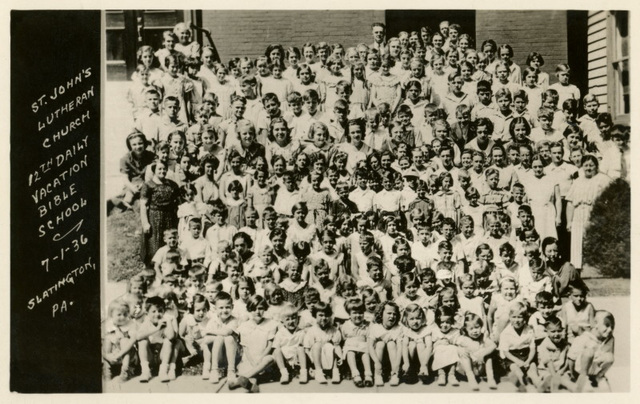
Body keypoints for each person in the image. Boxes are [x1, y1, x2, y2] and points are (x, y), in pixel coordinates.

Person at [565, 155, 611, 269]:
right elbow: (570, 202)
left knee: (594, 240)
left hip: (595, 213)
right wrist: (569, 222)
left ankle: (595, 269)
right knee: (577, 241)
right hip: (578, 213)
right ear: (582, 167)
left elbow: (611, 199)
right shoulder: (577, 181)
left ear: (596, 166)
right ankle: (577, 269)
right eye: (586, 165)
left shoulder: (604, 179)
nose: (588, 168)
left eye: (591, 165)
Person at [140, 159, 181, 267]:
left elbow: (179, 202)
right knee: (155, 244)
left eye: (164, 169)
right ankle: (153, 268)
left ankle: (170, 267)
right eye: (160, 169)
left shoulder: (172, 185)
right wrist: (145, 223)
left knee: (170, 241)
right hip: (154, 218)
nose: (162, 171)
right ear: (154, 170)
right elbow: (143, 205)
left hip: (170, 217)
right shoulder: (148, 185)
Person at [456, 312, 498, 390]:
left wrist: (482, 354)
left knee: (489, 356)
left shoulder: (483, 337)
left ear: (481, 327)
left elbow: (494, 345)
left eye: (477, 327)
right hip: (468, 368)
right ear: (465, 329)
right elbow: (455, 347)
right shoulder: (463, 338)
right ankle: (471, 378)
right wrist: (460, 350)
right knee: (464, 355)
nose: (475, 331)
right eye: (471, 329)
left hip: (480, 366)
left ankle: (490, 378)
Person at [368, 300, 403, 386]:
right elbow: (370, 346)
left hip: (393, 358)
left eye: (394, 314)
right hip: (378, 357)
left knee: (391, 344)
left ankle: (395, 374)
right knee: (380, 343)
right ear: (381, 314)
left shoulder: (398, 328)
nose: (392, 316)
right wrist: (376, 362)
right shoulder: (375, 327)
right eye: (389, 313)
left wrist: (397, 364)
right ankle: (378, 374)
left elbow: (400, 347)